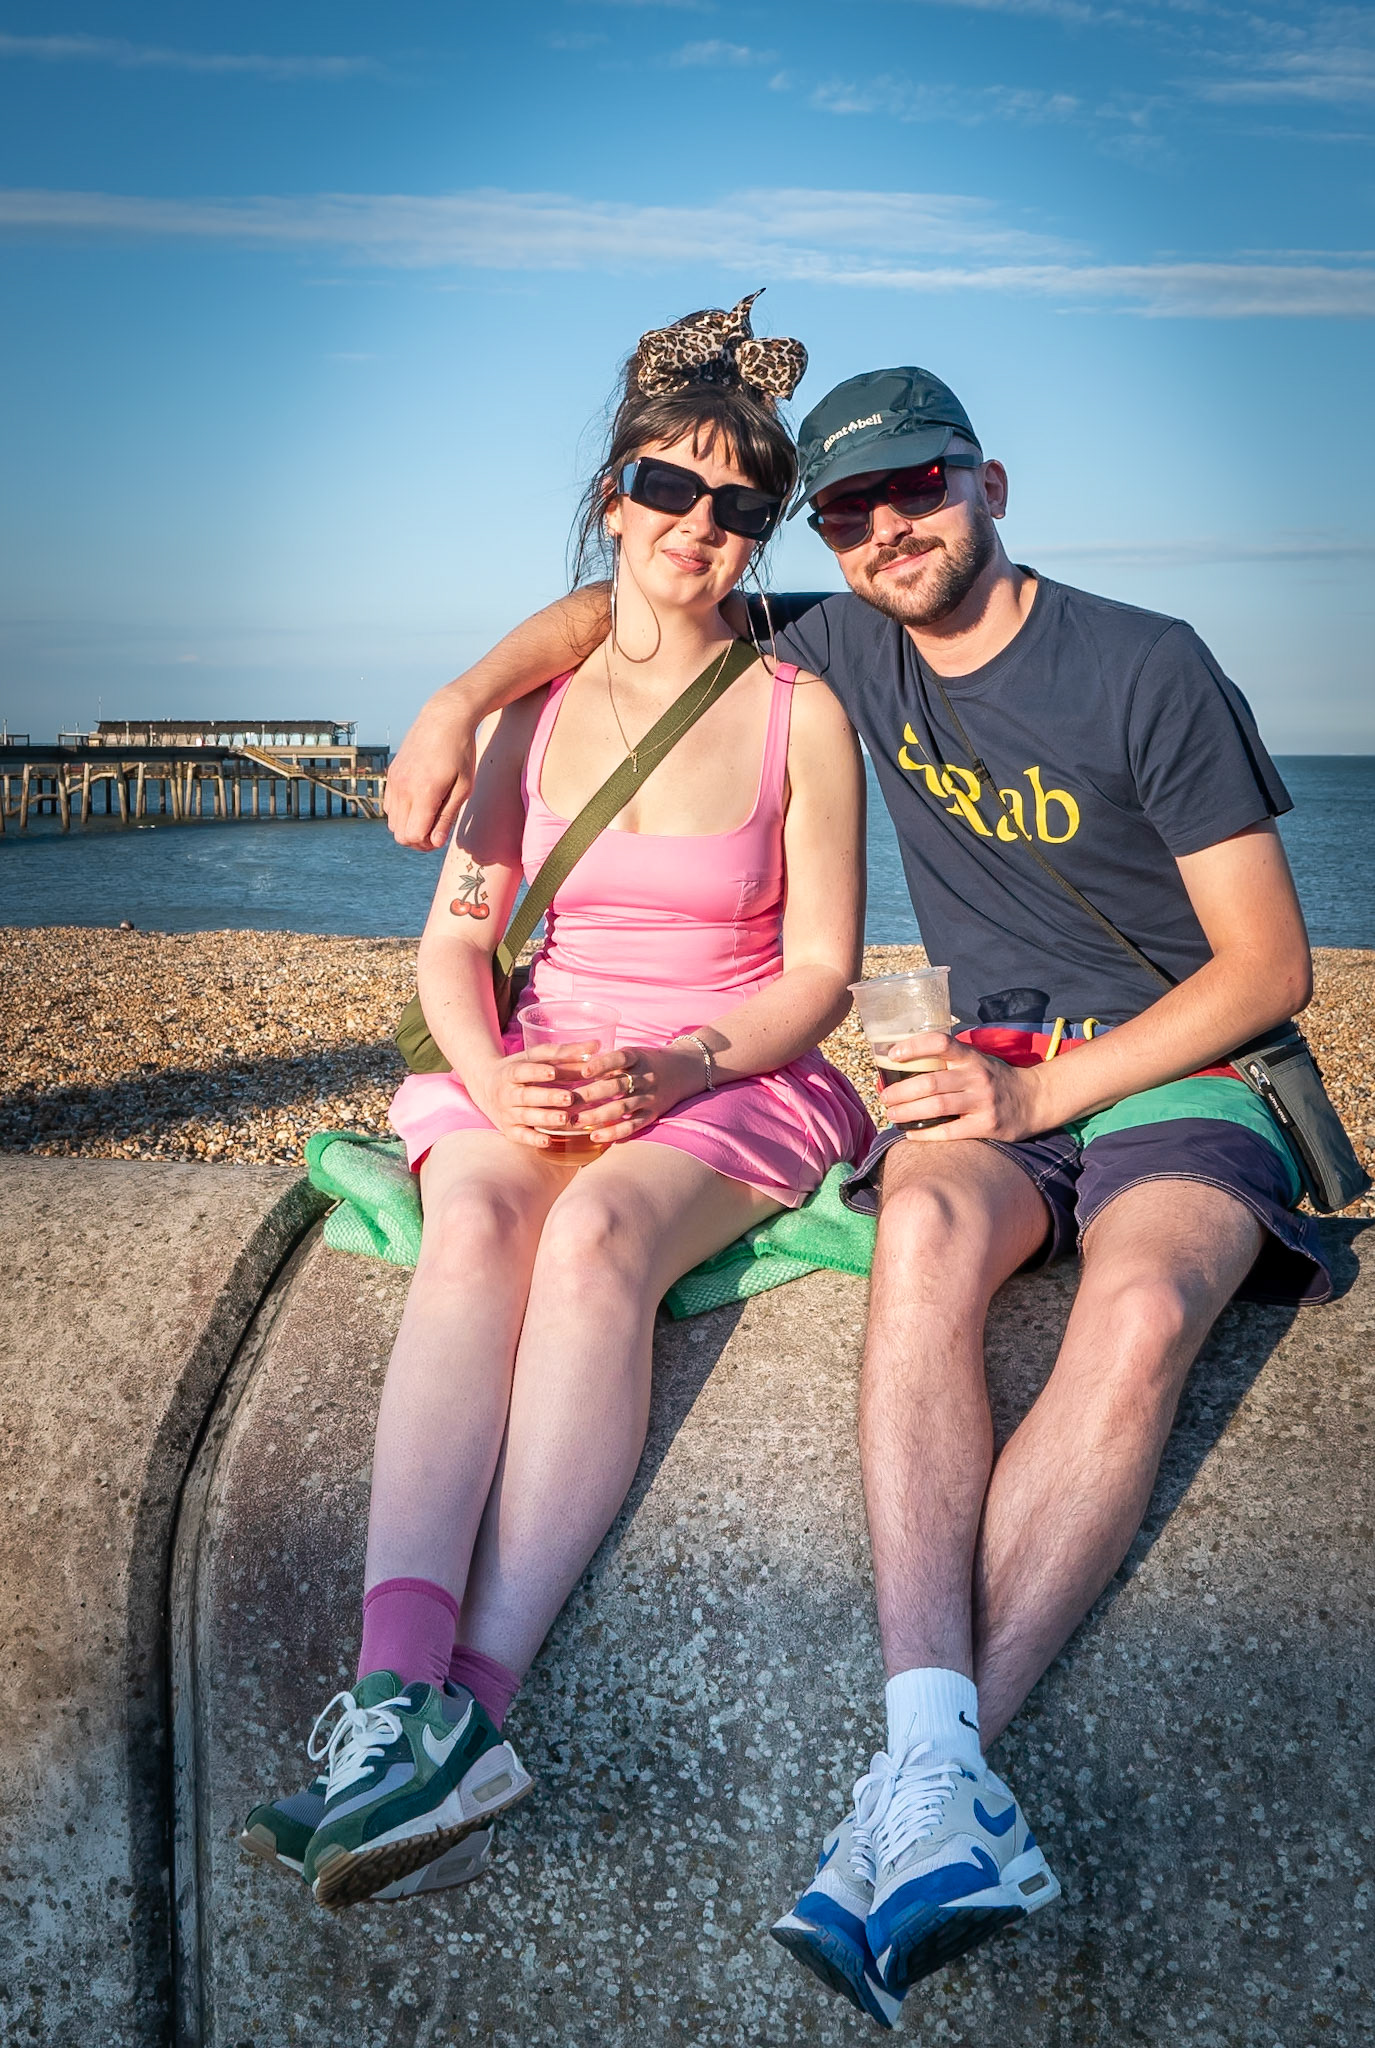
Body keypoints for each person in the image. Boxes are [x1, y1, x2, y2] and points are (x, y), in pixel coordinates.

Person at [382, 354, 1329, 2022]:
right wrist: (459, 705)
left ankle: (937, 1785)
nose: (886, 527)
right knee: (922, 1238)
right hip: (984, 1074)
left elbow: (1269, 965)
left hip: (1179, 1066)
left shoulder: (1147, 666)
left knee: (1142, 1300)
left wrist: (1044, 1084)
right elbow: (619, 610)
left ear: (991, 485)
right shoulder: (838, 644)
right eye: (846, 507)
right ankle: (928, 1764)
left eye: (920, 488)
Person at [237, 296, 874, 1912]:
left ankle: (480, 1705)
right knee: (473, 1229)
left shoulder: (806, 714)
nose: (699, 531)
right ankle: (393, 1694)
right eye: (670, 490)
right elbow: (459, 936)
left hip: (728, 1072)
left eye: (739, 509)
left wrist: (686, 1065)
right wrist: (484, 1064)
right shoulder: (530, 711)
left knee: (595, 1247)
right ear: (617, 498)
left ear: (762, 532)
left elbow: (819, 978)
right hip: (542, 1051)